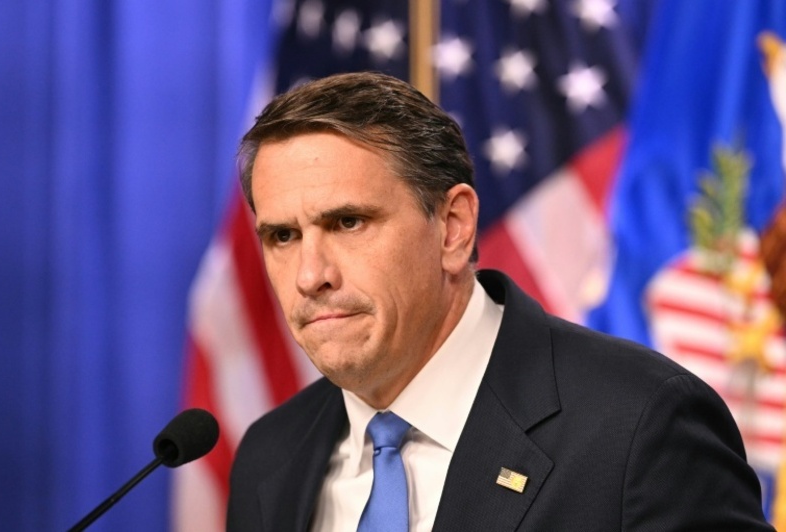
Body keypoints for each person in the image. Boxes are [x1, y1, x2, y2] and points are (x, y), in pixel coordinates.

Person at [226, 71, 772, 531]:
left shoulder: (638, 426)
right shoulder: (270, 455)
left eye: (349, 222)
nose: (310, 276)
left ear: (453, 228)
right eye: (283, 236)